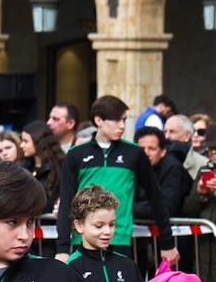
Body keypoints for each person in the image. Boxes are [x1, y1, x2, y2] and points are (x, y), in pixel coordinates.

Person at [56, 95, 172, 264]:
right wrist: (62, 248)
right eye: (117, 121)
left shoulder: (135, 153)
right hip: (82, 239)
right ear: (98, 120)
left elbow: (156, 197)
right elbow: (67, 201)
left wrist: (167, 242)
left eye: (124, 120)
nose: (122, 126)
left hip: (120, 239)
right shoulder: (76, 154)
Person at [67, 185, 141, 282]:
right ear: (79, 225)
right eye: (99, 226)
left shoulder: (128, 265)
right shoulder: (71, 267)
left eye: (111, 224)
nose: (107, 231)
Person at [133, 126, 192, 269]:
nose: (146, 153)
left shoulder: (172, 168)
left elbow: (166, 206)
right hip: (144, 239)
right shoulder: (134, 169)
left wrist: (128, 208)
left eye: (151, 149)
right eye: (142, 149)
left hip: (175, 239)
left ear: (163, 151)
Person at [21, 122, 64, 214]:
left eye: (25, 141)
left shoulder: (58, 169)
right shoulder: (23, 168)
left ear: (38, 142)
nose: (21, 145)